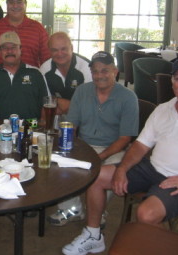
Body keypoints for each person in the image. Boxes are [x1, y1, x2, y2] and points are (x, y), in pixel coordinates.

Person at [62, 57, 178, 255]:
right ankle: (93, 235)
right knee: (97, 176)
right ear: (172, 82)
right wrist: (123, 169)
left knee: (146, 214)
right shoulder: (163, 109)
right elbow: (140, 146)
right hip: (151, 169)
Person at [48, 51, 138, 227]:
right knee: (59, 162)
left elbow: (125, 137)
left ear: (115, 71)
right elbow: (72, 125)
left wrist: (101, 156)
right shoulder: (82, 91)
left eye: (105, 70)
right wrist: (67, 148)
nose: (99, 75)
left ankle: (99, 211)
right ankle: (72, 209)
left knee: (107, 171)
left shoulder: (128, 97)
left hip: (114, 148)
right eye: (95, 71)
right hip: (85, 144)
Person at [0, 31, 48, 121]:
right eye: (5, 48)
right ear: (0, 52)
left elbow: (46, 104)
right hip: (1, 129)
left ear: (21, 49)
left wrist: (43, 127)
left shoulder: (36, 73)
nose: (9, 51)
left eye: (13, 47)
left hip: (31, 128)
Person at [40, 32, 92, 115]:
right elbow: (46, 102)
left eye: (63, 49)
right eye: (55, 50)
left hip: (84, 117)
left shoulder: (86, 68)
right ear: (49, 51)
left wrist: (59, 102)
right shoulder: (44, 69)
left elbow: (89, 104)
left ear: (71, 48)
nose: (60, 54)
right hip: (56, 116)